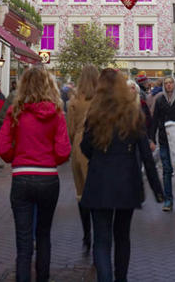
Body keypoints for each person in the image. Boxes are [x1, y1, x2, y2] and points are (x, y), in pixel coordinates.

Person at [80, 69, 163, 282]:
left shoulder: (95, 113)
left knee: (102, 239)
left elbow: (85, 147)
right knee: (122, 236)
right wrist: (157, 189)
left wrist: (99, 157)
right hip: (126, 181)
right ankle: (121, 279)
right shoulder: (132, 114)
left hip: (99, 181)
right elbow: (145, 153)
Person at [0, 67, 70, 282]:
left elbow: (2, 147)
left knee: (24, 240)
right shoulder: (56, 113)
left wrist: (15, 157)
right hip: (48, 178)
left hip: (22, 177)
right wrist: (50, 161)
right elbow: (64, 150)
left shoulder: (15, 112)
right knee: (44, 235)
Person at [66, 64, 99, 252]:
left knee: (81, 193)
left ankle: (87, 234)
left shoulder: (74, 101)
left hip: (79, 146)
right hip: (99, 145)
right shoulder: (103, 100)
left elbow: (70, 131)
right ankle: (100, 231)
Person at [152, 75, 175, 211]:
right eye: (166, 83)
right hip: (164, 139)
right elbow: (155, 120)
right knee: (167, 170)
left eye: (170, 83)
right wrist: (152, 138)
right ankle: (168, 200)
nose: (168, 85)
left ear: (174, 85)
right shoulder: (160, 101)